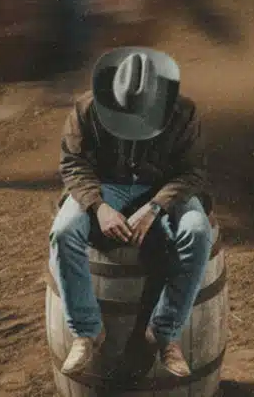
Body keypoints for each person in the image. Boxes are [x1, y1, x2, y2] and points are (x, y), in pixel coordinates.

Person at [50, 47, 213, 379]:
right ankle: (86, 331)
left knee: (197, 232)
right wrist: (98, 206)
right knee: (64, 232)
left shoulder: (185, 112)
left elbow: (193, 172)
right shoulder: (85, 109)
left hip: (165, 188)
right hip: (104, 187)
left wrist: (155, 207)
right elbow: (73, 163)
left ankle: (165, 332)